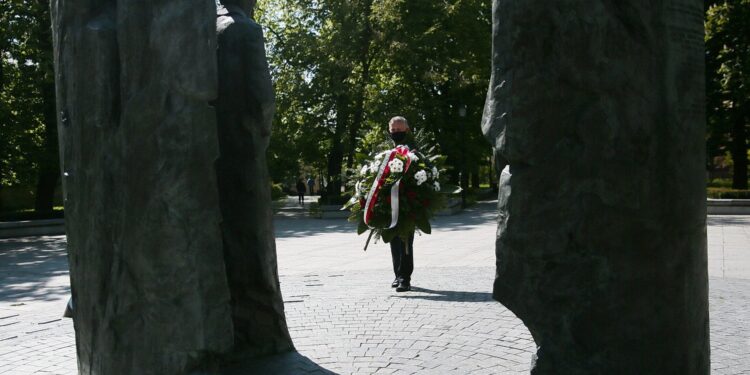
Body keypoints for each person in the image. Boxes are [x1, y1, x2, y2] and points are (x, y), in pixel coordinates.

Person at [388, 116, 415, 292]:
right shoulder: (386, 151)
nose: (397, 133)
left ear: (407, 130)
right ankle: (397, 275)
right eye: (394, 130)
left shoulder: (414, 151)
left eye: (400, 130)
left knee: (405, 240)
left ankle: (405, 277)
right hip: (389, 203)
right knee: (393, 240)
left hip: (408, 202)